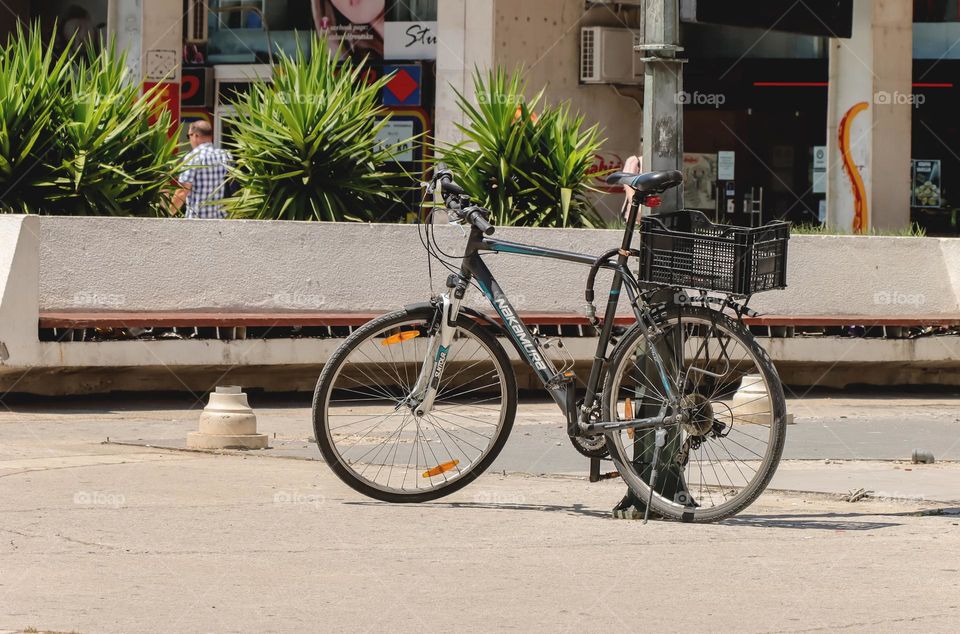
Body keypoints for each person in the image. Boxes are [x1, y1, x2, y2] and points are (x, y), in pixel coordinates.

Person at [172, 121, 233, 219]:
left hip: (197, 221)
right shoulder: (225, 155)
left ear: (195, 135)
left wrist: (168, 213)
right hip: (221, 221)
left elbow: (182, 192)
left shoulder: (192, 158)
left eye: (189, 136)